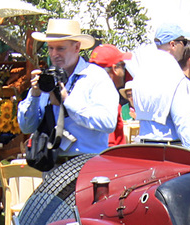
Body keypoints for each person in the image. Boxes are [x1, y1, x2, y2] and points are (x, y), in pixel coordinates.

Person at [18, 18, 119, 158]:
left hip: (86, 164)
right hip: (52, 166)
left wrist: (66, 101)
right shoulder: (46, 79)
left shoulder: (95, 77)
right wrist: (34, 96)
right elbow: (26, 127)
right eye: (50, 48)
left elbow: (108, 123)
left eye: (60, 48)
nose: (54, 54)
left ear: (77, 47)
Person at [127, 21, 190, 152]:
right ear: (173, 44)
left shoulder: (142, 70)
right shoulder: (174, 72)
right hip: (169, 148)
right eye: (183, 42)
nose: (184, 47)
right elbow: (183, 119)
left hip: (145, 144)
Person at [88, 44, 132, 146]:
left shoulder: (90, 94)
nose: (125, 70)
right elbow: (109, 144)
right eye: (123, 66)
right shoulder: (107, 98)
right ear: (115, 68)